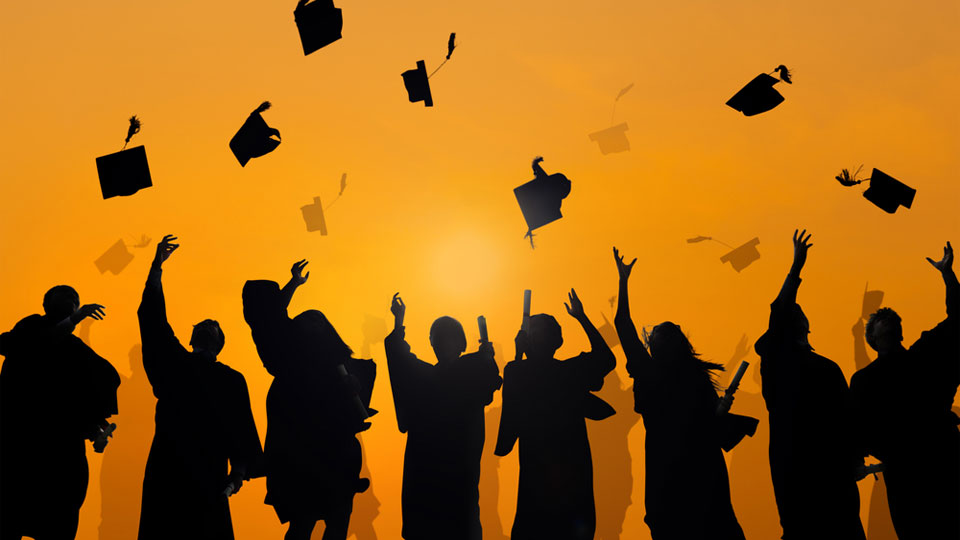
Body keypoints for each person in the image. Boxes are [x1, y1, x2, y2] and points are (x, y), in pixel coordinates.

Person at [612, 247, 745, 540]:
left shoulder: (655, 373)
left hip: (674, 471)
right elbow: (624, 327)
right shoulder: (691, 376)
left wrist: (623, 281)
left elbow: (624, 327)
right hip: (697, 470)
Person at [137, 235, 263, 540]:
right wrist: (156, 267)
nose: (208, 326)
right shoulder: (175, 363)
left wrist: (237, 475)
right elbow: (153, 320)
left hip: (209, 468)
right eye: (203, 325)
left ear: (219, 343)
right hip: (169, 463)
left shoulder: (232, 379)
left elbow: (242, 428)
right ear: (192, 339)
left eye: (214, 327)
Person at [242, 260, 376, 540]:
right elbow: (270, 317)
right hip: (306, 459)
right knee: (305, 523)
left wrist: (353, 386)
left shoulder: (332, 367)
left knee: (333, 521)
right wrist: (292, 285)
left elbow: (272, 315)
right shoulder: (287, 361)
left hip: (333, 457)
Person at [754, 230, 866, 539]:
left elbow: (847, 419)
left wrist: (855, 459)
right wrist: (796, 268)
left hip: (825, 476)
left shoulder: (824, 369)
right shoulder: (779, 365)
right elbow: (779, 311)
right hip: (803, 475)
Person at [850, 240, 958, 539]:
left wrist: (947, 275)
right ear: (874, 339)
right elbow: (857, 430)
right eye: (881, 322)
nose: (887, 323)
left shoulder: (923, 356)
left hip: (935, 468)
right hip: (916, 472)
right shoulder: (867, 380)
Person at [0, 286, 120, 540]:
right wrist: (74, 320)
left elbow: (100, 380)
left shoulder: (76, 350)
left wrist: (95, 425)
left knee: (59, 524)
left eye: (75, 298)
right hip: (22, 446)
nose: (71, 298)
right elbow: (38, 346)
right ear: (46, 304)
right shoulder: (31, 327)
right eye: (63, 294)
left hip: (61, 456)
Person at [495, 289, 615, 540]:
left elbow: (506, 438)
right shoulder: (570, 372)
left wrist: (518, 354)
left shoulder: (519, 372)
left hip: (538, 484)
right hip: (571, 481)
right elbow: (606, 358)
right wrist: (581, 318)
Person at [384, 294, 502, 540]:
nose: (442, 344)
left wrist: (486, 360)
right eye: (438, 339)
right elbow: (399, 355)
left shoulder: (467, 372)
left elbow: (490, 381)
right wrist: (398, 322)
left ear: (461, 343)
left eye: (448, 338)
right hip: (427, 475)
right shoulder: (428, 377)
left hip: (458, 473)